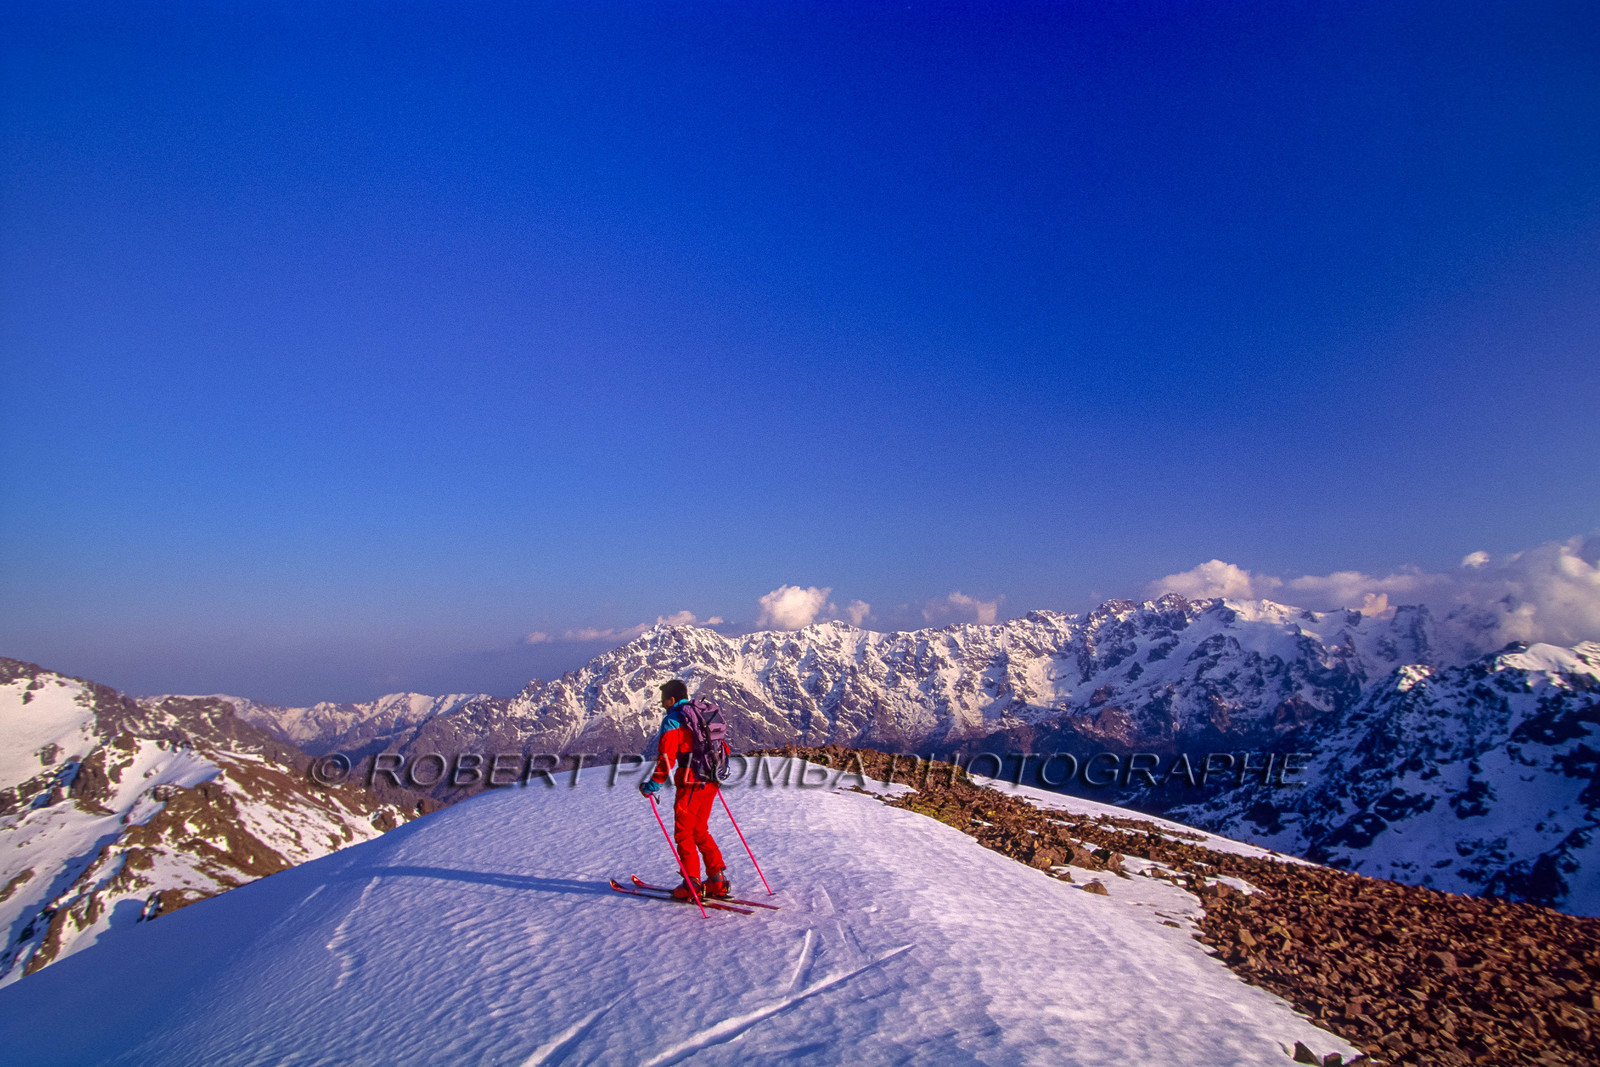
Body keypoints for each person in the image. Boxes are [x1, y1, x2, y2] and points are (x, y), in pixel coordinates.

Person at [639, 679, 730, 900]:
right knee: (700, 830)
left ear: (671, 699)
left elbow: (666, 758)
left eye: (663, 701)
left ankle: (692, 885)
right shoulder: (700, 713)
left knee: (683, 833)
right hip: (711, 779)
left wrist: (652, 786)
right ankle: (717, 881)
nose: (662, 706)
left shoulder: (673, 720)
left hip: (691, 782)